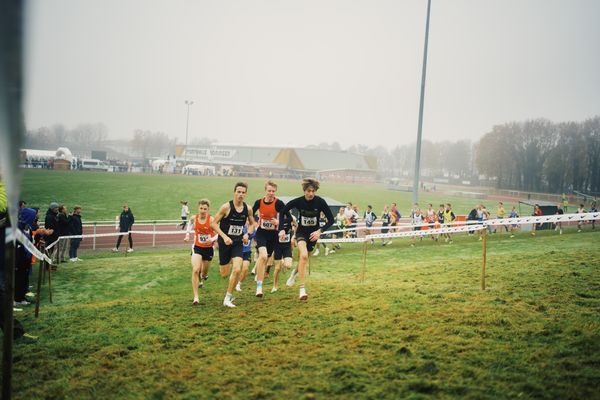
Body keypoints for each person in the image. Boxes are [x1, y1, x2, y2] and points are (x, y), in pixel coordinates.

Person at [279, 178, 334, 300]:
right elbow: (283, 211)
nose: (311, 194)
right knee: (303, 256)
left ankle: (293, 274)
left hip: (313, 235)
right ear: (304, 191)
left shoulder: (320, 202)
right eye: (308, 191)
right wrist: (281, 229)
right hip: (301, 233)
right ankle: (302, 289)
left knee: (304, 260)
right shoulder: (298, 202)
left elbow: (331, 219)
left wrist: (320, 231)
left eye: (313, 191)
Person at [211, 182, 257, 308]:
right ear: (234, 192)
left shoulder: (248, 209)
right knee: (224, 274)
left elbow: (253, 224)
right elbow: (214, 224)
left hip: (237, 243)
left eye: (243, 192)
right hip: (225, 243)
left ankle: (228, 298)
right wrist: (224, 237)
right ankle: (230, 265)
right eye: (238, 192)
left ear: (245, 194)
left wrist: (247, 233)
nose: (241, 194)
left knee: (237, 269)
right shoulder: (226, 207)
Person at [251, 180, 288, 298]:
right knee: (262, 256)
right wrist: (255, 223)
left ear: (275, 191)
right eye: (269, 191)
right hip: (261, 233)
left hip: (273, 235)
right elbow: (250, 214)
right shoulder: (259, 202)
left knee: (265, 259)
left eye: (273, 191)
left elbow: (288, 218)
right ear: (265, 190)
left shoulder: (279, 203)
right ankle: (259, 287)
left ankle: (259, 277)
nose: (271, 193)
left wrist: (279, 224)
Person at [184, 199, 216, 305]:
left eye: (205, 209)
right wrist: (188, 234)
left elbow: (219, 233)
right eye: (201, 208)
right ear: (198, 208)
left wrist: (211, 240)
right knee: (196, 269)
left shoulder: (211, 219)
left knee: (204, 273)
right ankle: (196, 297)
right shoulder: (194, 218)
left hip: (208, 249)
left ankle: (204, 276)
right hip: (197, 247)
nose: (202, 211)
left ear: (208, 209)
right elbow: (189, 223)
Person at [271, 214, 295, 293]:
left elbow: (297, 226)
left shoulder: (291, 218)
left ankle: (283, 262)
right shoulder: (275, 219)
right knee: (277, 268)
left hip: (287, 246)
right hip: (277, 246)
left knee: (288, 265)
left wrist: (294, 236)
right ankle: (275, 286)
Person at [235, 224, 256, 292]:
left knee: (245, 269)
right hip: (237, 251)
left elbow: (258, 237)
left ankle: (239, 284)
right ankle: (233, 282)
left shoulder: (253, 230)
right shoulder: (240, 227)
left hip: (247, 252)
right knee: (236, 270)